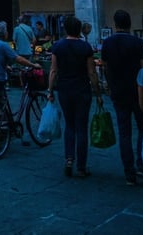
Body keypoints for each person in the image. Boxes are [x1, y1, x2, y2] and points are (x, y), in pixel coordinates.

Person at [48, 15, 102, 178]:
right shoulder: (85, 47)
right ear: (79, 29)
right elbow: (92, 72)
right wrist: (98, 93)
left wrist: (50, 91)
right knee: (81, 127)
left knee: (69, 125)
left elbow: (53, 71)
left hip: (64, 90)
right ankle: (81, 166)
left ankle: (69, 159)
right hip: (82, 90)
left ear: (65, 29)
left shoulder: (57, 46)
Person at [101, 9, 143, 185]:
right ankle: (142, 165)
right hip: (137, 91)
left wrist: (109, 84)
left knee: (124, 132)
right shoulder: (137, 42)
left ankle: (129, 173)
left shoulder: (108, 43)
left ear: (115, 24)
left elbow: (105, 67)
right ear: (129, 23)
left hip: (118, 91)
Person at [0, 21, 42, 95]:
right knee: (0, 100)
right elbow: (19, 59)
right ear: (5, 34)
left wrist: (5, 66)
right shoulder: (4, 45)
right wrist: (33, 65)